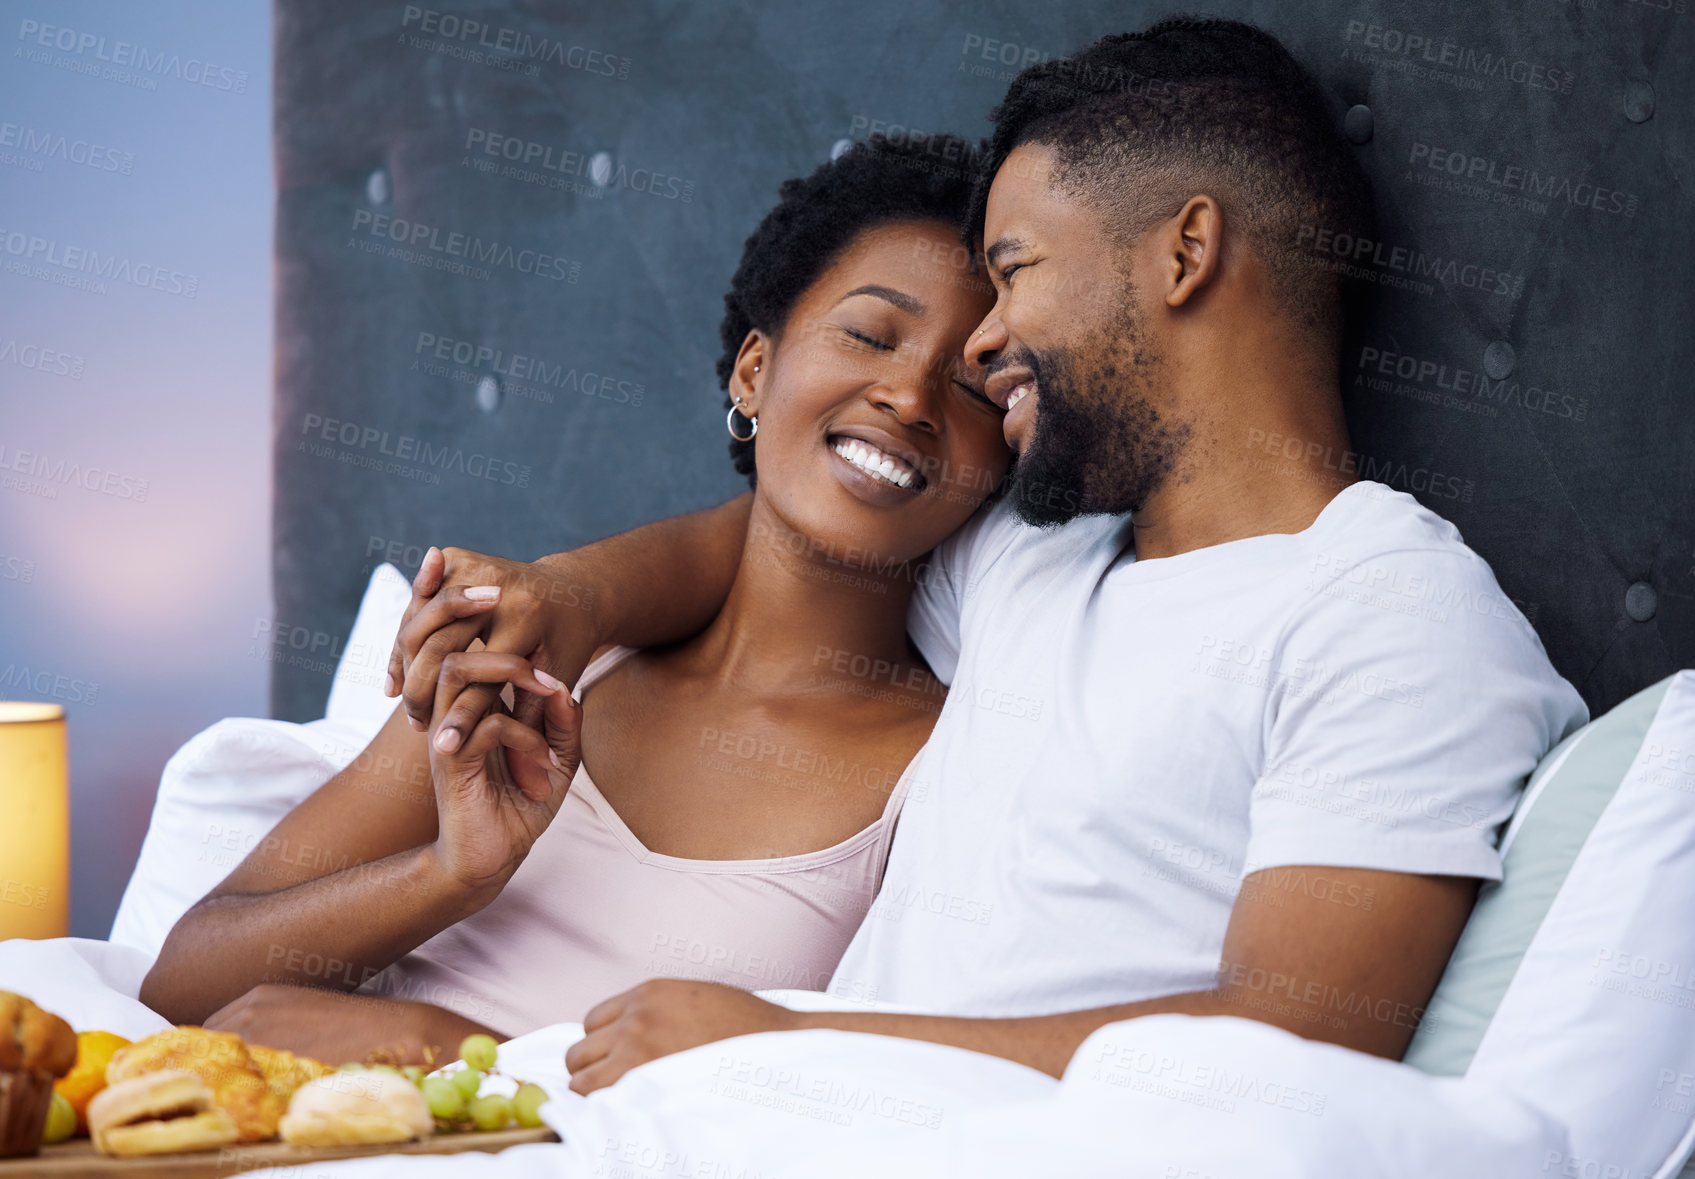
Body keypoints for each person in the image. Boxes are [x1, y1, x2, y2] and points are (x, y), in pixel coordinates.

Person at [390, 18, 1588, 1095]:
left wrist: (786, 1044)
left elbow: (1287, 1051)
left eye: (1014, 272)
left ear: (1185, 255)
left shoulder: (1395, 616)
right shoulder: (1034, 563)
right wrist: (576, 592)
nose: (991, 339)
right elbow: (784, 531)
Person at [138, 132, 1013, 1066]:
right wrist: (452, 873)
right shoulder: (543, 655)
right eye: (869, 334)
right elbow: (180, 984)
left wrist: (458, 1046)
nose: (910, 395)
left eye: (969, 382)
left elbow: (868, 1091)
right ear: (754, 372)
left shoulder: (945, 771)